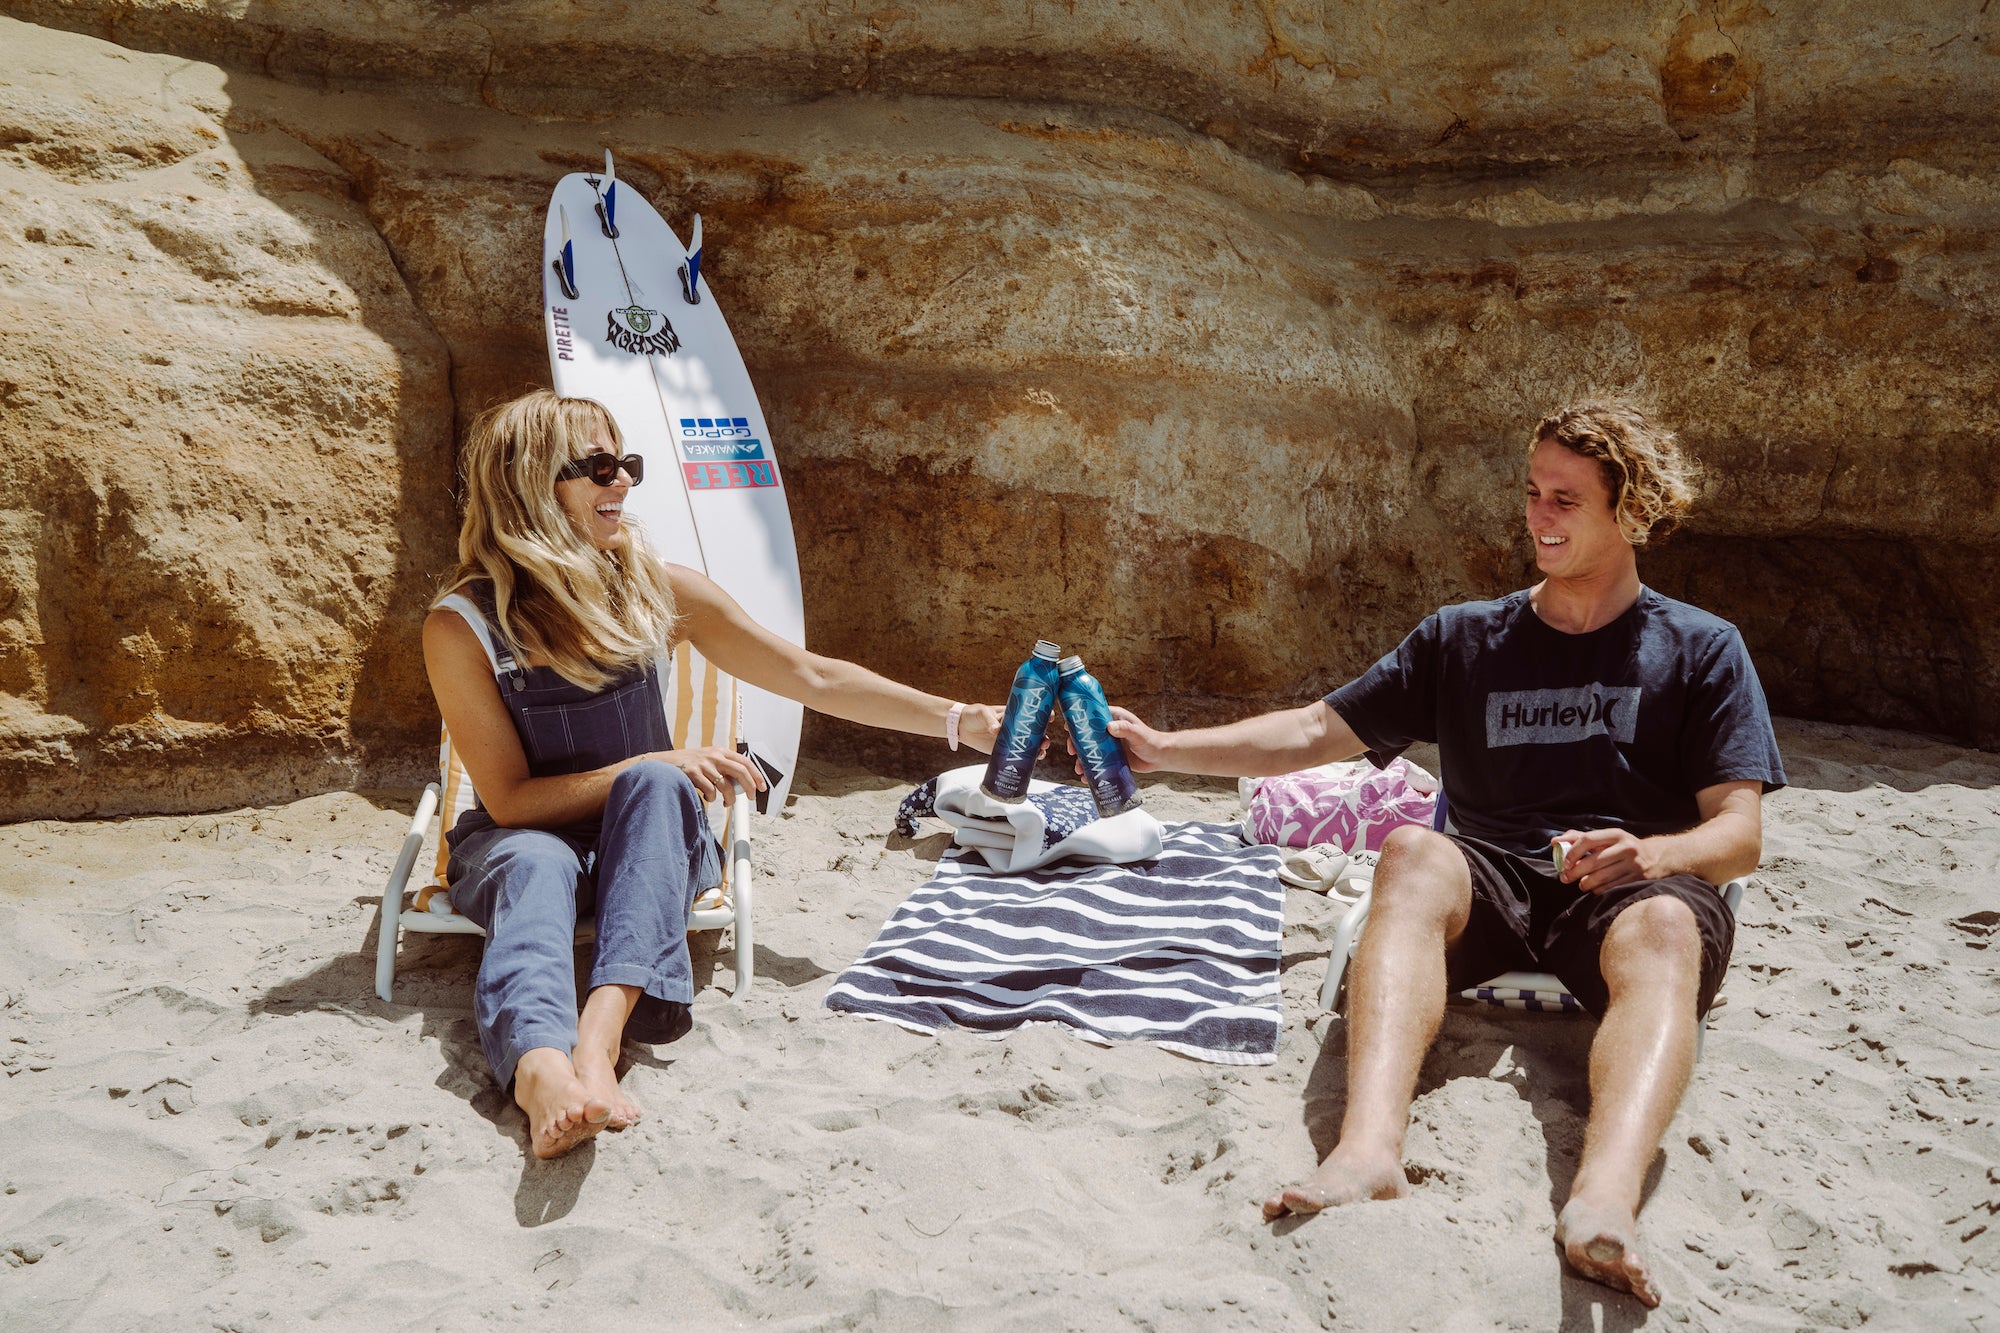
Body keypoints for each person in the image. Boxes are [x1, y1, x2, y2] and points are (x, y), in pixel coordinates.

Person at [1100, 403, 1785, 1307]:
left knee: (1665, 919)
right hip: (1491, 874)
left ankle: (1602, 1202)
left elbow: (1739, 833)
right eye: (1534, 493)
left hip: (1626, 887)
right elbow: (1317, 729)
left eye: (1566, 499)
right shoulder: (1467, 636)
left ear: (1633, 508)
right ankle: (1368, 1151)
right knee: (1414, 847)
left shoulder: (1701, 648)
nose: (1540, 515)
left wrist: (1654, 854)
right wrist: (1167, 746)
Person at [425, 389, 1004, 1160]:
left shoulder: (653, 587)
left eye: (627, 463)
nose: (623, 482)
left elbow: (812, 676)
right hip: (524, 835)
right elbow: (510, 800)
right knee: (542, 853)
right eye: (599, 467)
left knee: (659, 790)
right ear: (530, 482)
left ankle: (598, 1042)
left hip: (650, 843)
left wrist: (955, 720)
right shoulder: (461, 626)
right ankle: (538, 1073)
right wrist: (653, 758)